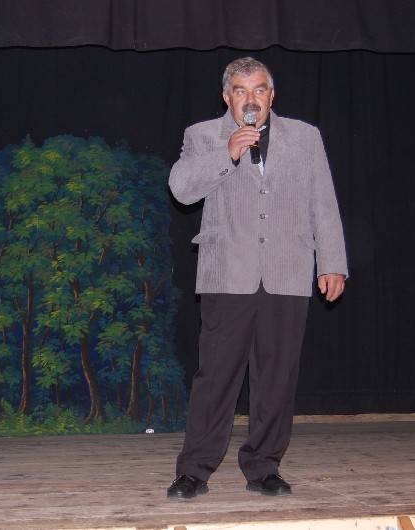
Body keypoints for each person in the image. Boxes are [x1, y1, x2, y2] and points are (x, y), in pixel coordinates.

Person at [167, 57, 348, 499]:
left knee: (277, 378)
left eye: (259, 89)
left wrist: (332, 262)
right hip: (227, 273)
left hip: (288, 271)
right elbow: (182, 189)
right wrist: (227, 152)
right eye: (241, 91)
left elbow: (323, 202)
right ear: (226, 97)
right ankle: (194, 470)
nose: (251, 99)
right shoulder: (202, 136)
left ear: (272, 95)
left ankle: (264, 467)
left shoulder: (305, 137)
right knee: (216, 378)